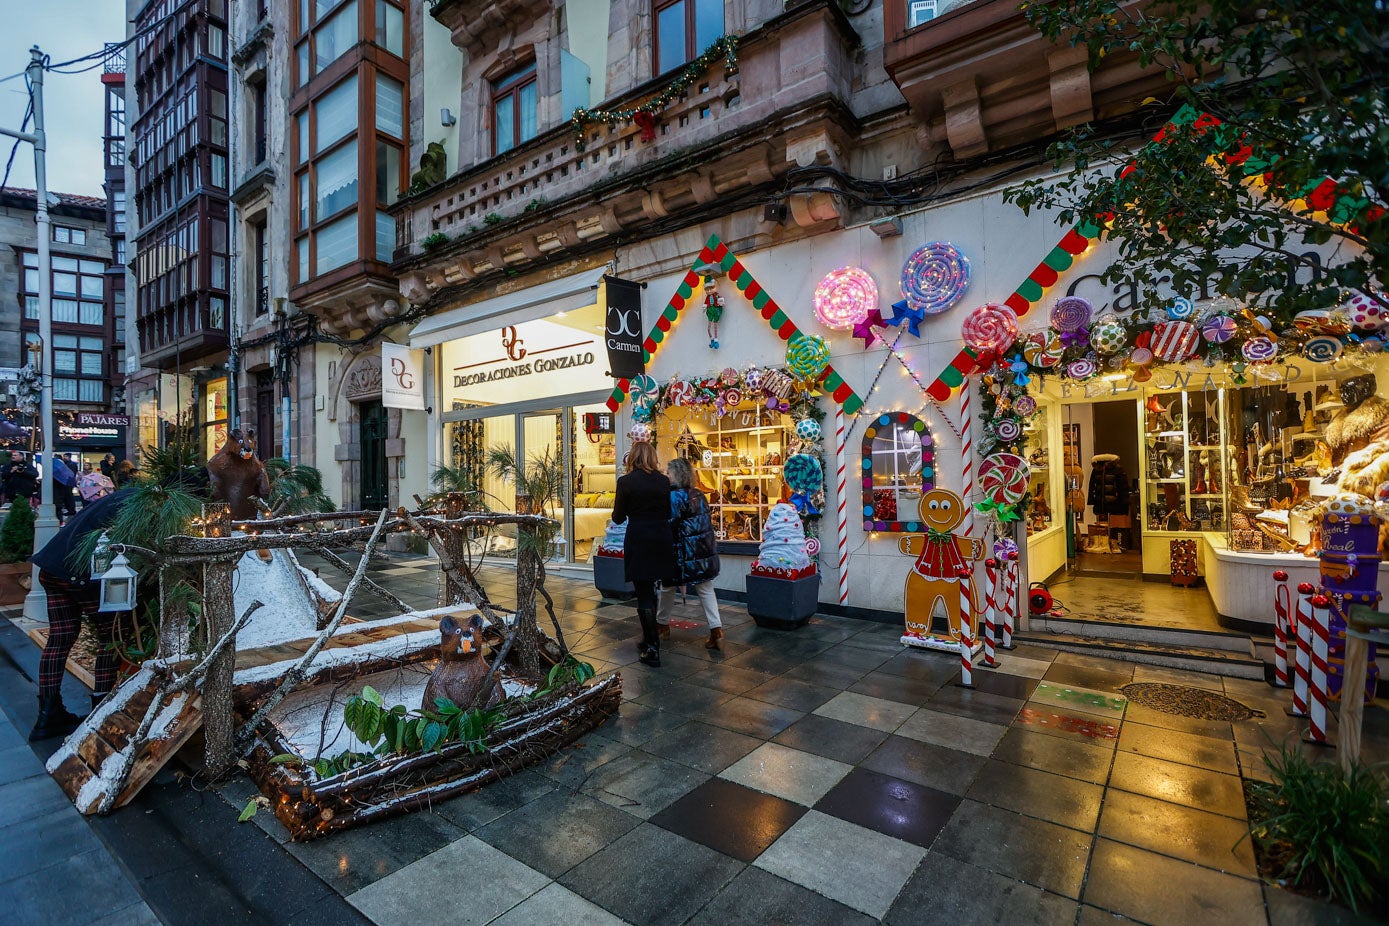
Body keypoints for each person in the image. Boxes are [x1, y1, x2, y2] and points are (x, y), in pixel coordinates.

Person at [27, 487, 137, 740]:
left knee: (60, 638)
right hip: (81, 573)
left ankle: (47, 714)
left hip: (53, 565)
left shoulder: (122, 495)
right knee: (110, 639)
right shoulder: (143, 503)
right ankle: (102, 714)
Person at [611, 441, 675, 667]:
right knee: (654, 589)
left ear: (632, 458)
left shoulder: (626, 482)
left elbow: (618, 517)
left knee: (644, 591)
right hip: (661, 538)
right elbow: (668, 512)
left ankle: (652, 646)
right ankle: (651, 637)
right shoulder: (663, 481)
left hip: (639, 539)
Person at [656, 457, 723, 650]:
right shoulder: (699, 495)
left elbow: (670, 524)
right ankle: (716, 630)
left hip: (680, 553)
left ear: (676, 474)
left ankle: (662, 626)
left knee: (667, 588)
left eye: (668, 472)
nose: (666, 476)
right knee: (706, 589)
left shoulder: (673, 497)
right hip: (702, 551)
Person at [51, 454, 78, 522]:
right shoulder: (66, 464)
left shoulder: (70, 465)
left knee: (68, 496)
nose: (64, 457)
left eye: (66, 456)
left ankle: (71, 509)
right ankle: (70, 509)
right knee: (67, 496)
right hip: (66, 482)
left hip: (67, 483)